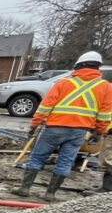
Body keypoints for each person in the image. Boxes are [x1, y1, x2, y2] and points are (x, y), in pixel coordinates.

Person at [11, 51, 112, 201]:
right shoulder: (105, 87)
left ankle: (24, 188)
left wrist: (34, 125)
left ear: (79, 65)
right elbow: (105, 113)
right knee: (66, 161)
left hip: (54, 128)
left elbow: (45, 106)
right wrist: (98, 132)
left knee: (37, 157)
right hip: (79, 131)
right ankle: (50, 194)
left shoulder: (63, 83)